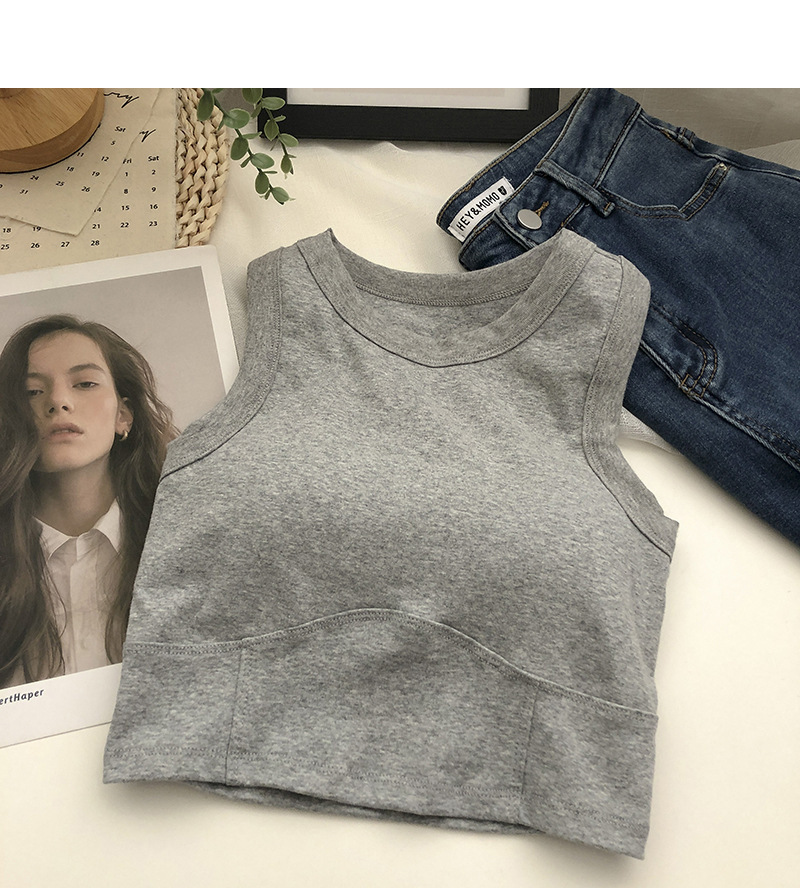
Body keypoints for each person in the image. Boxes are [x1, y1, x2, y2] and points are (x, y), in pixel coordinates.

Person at [0, 314, 178, 688]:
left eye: (84, 383)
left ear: (123, 416)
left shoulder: (184, 540)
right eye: (32, 391)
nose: (58, 401)